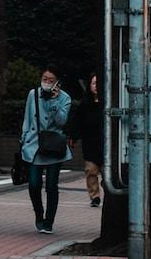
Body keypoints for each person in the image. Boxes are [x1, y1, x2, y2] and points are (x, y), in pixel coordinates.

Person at [21, 67, 72, 234]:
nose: (47, 82)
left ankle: (49, 221)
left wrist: (54, 102)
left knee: (51, 185)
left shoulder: (65, 98)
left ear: (57, 82)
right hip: (34, 145)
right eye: (45, 78)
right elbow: (27, 119)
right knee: (34, 184)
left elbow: (61, 122)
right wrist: (24, 139)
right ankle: (39, 214)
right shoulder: (33, 94)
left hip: (53, 147)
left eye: (51, 80)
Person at [69, 72, 106, 209]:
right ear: (89, 85)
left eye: (98, 84)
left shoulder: (108, 103)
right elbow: (77, 122)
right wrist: (73, 136)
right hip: (90, 142)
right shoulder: (84, 104)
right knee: (91, 171)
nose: (96, 87)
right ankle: (94, 196)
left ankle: (108, 192)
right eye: (94, 83)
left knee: (106, 173)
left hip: (106, 144)